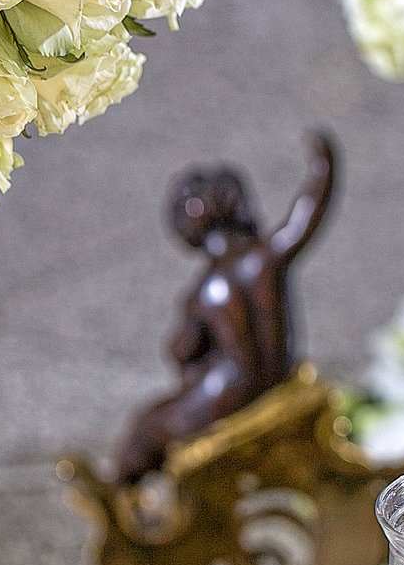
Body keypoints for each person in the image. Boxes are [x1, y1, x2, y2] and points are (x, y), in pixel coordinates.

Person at [112, 132, 337, 482]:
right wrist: (323, 169)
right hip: (277, 375)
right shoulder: (264, 258)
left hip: (230, 393)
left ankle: (123, 495)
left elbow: (181, 351)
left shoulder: (206, 290)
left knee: (148, 425)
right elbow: (301, 221)